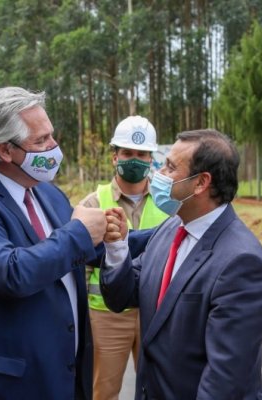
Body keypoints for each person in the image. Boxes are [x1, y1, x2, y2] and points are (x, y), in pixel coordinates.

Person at [0, 86, 109, 400]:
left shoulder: (46, 192)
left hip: (56, 378)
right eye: (40, 141)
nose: (53, 147)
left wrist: (163, 236)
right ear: (4, 150)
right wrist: (81, 231)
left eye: (51, 136)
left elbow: (81, 249)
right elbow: (13, 273)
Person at [100, 129, 262, 399]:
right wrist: (116, 247)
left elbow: (224, 381)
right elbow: (123, 295)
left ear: (201, 183)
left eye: (169, 167)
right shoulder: (171, 227)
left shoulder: (240, 263)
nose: (157, 173)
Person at [78, 115, 167, 400]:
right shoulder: (93, 203)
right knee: (102, 391)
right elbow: (79, 258)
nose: (135, 159)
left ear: (151, 158)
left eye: (142, 154)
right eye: (128, 153)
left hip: (156, 312)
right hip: (106, 315)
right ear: (115, 157)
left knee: (158, 389)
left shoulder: (170, 203)